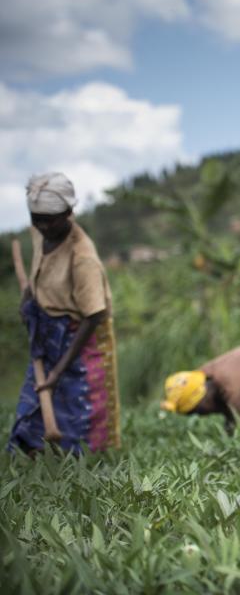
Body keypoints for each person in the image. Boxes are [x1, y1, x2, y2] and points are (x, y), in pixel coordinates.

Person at [9, 173, 121, 454]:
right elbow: (40, 273)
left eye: (51, 218)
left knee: (79, 402)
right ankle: (30, 447)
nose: (43, 225)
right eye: (37, 218)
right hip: (47, 327)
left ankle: (83, 454)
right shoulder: (40, 231)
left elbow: (94, 315)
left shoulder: (83, 258)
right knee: (37, 391)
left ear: (69, 212)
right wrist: (28, 299)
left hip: (79, 332)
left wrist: (59, 370)